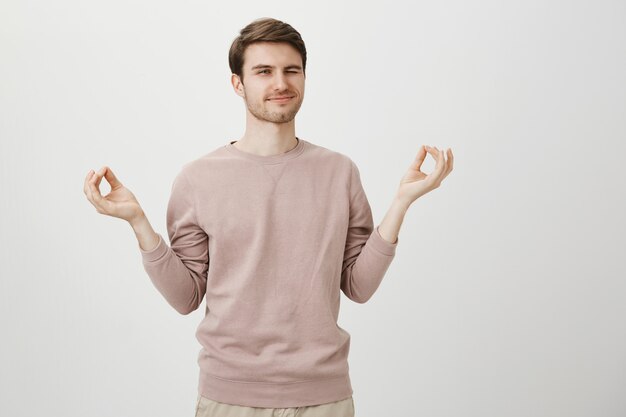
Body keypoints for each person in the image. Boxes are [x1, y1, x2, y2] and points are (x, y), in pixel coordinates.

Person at [83, 16, 453, 417]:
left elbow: (358, 287)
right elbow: (186, 296)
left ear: (305, 78)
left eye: (291, 70)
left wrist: (401, 203)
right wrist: (139, 223)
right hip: (229, 398)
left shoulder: (339, 172)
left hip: (324, 396)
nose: (281, 83)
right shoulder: (197, 178)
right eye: (264, 71)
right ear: (237, 83)